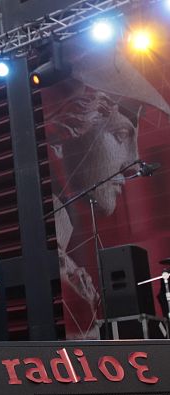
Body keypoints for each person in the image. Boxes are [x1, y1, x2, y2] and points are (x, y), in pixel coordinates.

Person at [43, 42, 170, 339]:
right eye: (120, 135)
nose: (132, 162)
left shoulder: (62, 231)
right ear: (61, 137)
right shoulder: (54, 232)